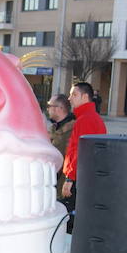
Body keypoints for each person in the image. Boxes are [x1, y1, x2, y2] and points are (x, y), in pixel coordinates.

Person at [61, 82, 107, 232]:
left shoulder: (86, 119)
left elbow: (80, 152)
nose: (69, 98)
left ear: (85, 97)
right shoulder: (90, 117)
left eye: (74, 94)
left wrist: (70, 179)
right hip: (86, 177)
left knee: (71, 222)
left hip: (80, 178)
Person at [46, 93, 75, 197]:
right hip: (52, 185)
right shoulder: (54, 128)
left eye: (49, 106)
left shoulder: (72, 130)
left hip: (63, 187)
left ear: (59, 108)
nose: (47, 109)